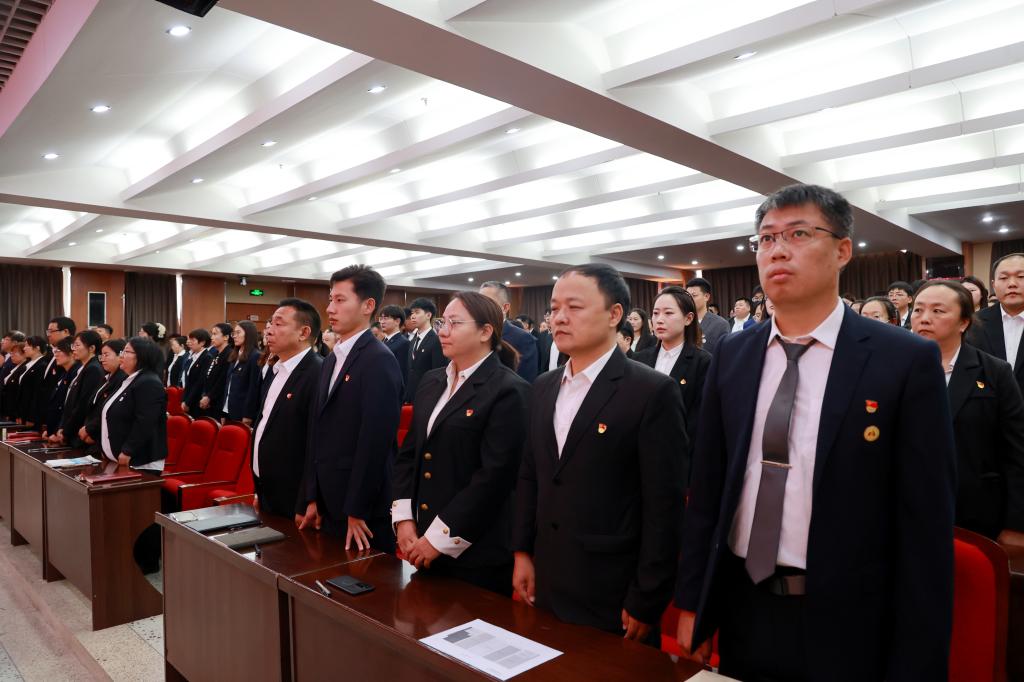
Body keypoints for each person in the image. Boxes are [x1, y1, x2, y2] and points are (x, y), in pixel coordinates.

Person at [675, 184, 955, 681]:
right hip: (744, 604)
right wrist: (693, 600)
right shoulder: (734, 356)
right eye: (766, 238)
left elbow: (925, 521)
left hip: (850, 616)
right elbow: (710, 488)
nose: (778, 250)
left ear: (843, 250)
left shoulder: (904, 359)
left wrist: (918, 657)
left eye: (799, 234)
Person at [512, 263, 687, 643]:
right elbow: (530, 473)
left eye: (574, 307)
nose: (559, 318)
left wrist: (647, 595)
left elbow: (664, 505)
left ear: (614, 314)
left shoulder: (651, 390)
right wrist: (522, 551)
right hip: (549, 575)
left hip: (613, 586)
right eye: (554, 309)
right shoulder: (543, 386)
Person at [394, 292, 530, 595]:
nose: (443, 331)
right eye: (442, 322)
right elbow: (409, 455)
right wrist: (403, 519)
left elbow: (494, 478)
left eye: (454, 324)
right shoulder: (432, 381)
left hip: (475, 548)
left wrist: (439, 538)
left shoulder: (509, 390)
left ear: (485, 332)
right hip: (421, 538)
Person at [301, 266, 404, 553]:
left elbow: (375, 441)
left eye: (340, 300)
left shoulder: (379, 360)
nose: (330, 308)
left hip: (360, 508)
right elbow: (317, 429)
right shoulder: (332, 359)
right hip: (329, 499)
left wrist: (357, 509)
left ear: (367, 306)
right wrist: (313, 496)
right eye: (330, 300)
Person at [912, 280, 1024, 544]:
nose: (924, 318)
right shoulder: (892, 368)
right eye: (918, 310)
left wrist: (1016, 523)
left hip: (975, 512)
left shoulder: (994, 372)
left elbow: (1017, 452)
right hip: (907, 509)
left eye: (938, 311)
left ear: (964, 322)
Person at [251, 299, 324, 518]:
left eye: (278, 324)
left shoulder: (318, 373)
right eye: (270, 324)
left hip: (294, 495)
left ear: (304, 332)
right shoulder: (277, 369)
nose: (268, 331)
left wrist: (308, 498)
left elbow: (317, 443)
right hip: (267, 488)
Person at [633, 285, 710, 484]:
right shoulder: (639, 359)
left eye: (668, 313)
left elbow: (699, 421)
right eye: (655, 313)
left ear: (688, 318)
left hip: (678, 463)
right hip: (638, 461)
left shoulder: (703, 362)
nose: (659, 319)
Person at [100, 337, 167, 469]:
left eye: (126, 352)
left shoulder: (149, 382)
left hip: (139, 461)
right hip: (119, 457)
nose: (121, 356)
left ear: (141, 356)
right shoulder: (129, 379)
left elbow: (145, 421)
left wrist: (128, 450)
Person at [968, 253, 1024, 400]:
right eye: (1004, 278)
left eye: (1021, 276)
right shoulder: (974, 322)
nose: (1012, 284)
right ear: (993, 285)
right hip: (989, 407)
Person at [54, 330, 104, 446]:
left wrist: (66, 431)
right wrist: (62, 427)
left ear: (91, 348)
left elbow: (82, 404)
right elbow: (70, 402)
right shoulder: (83, 368)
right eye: (73, 345)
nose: (73, 349)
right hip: (71, 430)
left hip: (79, 432)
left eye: (77, 345)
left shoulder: (93, 369)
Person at [479, 281, 535, 382]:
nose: (481, 307)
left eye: (488, 302)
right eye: (479, 302)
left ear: (505, 307)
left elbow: (524, 382)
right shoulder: (474, 334)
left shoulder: (522, 338)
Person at [78, 338, 128, 451]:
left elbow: (110, 411)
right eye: (101, 355)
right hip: (91, 435)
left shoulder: (122, 379)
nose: (102, 359)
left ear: (120, 355)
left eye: (106, 355)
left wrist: (90, 430)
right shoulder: (106, 377)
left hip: (105, 437)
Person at [403, 298, 445, 403]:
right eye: (412, 313)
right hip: (411, 396)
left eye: (417, 312)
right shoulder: (413, 340)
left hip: (427, 396)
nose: (413, 316)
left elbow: (439, 373)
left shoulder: (436, 341)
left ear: (428, 315)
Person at [220, 321, 261, 424]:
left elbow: (253, 389)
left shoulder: (255, 356)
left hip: (242, 412)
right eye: (234, 333)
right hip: (228, 408)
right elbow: (228, 384)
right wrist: (223, 411)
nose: (234, 336)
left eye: (238, 332)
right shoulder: (235, 354)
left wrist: (248, 414)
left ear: (249, 334)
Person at [40, 338, 78, 439]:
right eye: (54, 351)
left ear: (71, 353)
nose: (55, 355)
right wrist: (49, 429)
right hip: (55, 430)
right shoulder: (65, 372)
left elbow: (67, 407)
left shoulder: (76, 373)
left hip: (63, 432)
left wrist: (59, 430)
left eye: (58, 351)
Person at [686, 278, 730, 354]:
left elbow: (725, 354)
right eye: (687, 296)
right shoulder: (681, 321)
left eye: (694, 295)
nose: (689, 299)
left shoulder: (720, 324)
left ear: (706, 296)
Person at [199, 323, 232, 419]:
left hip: (219, 402)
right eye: (212, 334)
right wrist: (205, 395)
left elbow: (222, 380)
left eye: (215, 334)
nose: (212, 337)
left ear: (226, 337)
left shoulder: (229, 354)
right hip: (210, 400)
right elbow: (208, 377)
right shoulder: (216, 353)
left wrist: (209, 397)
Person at [16, 336, 48, 427]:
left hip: (31, 414)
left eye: (27, 345)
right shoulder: (27, 364)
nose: (24, 348)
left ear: (37, 348)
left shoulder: (42, 365)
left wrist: (31, 417)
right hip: (23, 410)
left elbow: (37, 393)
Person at [181, 329, 212, 414]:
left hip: (196, 402)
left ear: (202, 342)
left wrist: (188, 402)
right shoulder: (193, 356)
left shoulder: (207, 357)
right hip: (189, 399)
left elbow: (200, 383)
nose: (189, 342)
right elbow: (188, 381)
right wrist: (184, 400)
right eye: (189, 339)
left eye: (193, 340)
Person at [378, 304, 410, 383]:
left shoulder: (404, 343)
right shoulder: (384, 340)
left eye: (385, 318)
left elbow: (402, 372)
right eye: (380, 318)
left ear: (397, 321)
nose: (382, 322)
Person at [0, 342, 26, 421]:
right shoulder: (15, 367)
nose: (12, 355)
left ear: (24, 354)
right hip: (6, 408)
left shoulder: (24, 368)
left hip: (13, 410)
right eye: (11, 353)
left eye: (14, 353)